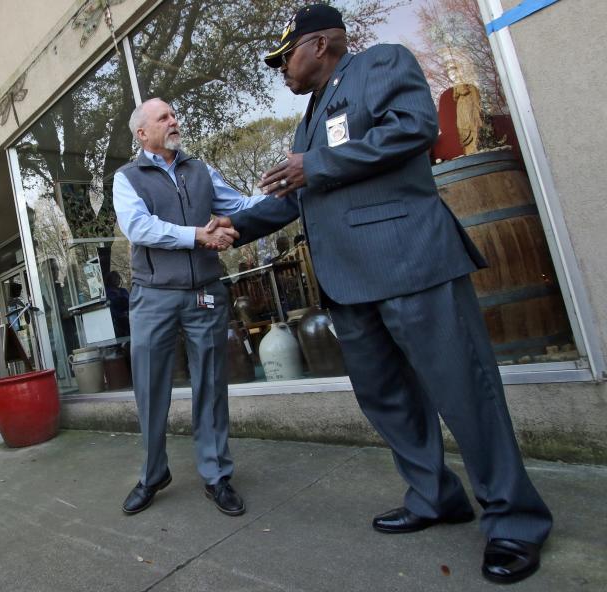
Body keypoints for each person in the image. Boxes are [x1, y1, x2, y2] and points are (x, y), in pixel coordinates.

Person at [221, 4, 551, 583]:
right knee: (387, 400)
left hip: (411, 263)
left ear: (320, 44)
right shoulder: (307, 121)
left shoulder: (382, 65)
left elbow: (414, 128)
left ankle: (514, 520)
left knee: (465, 394)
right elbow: (296, 196)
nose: (280, 68)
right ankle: (434, 496)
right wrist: (227, 231)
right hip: (349, 285)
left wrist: (315, 165)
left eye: (284, 55)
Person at [112, 97, 265, 517]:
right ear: (142, 133)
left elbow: (238, 206)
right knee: (149, 386)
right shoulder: (126, 178)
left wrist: (281, 193)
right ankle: (152, 473)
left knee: (212, 384)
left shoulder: (200, 170)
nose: (174, 120)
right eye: (164, 117)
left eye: (174, 114)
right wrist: (199, 234)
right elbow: (140, 228)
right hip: (153, 296)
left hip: (205, 292)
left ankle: (217, 475)